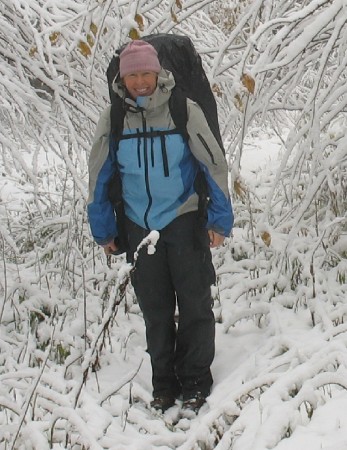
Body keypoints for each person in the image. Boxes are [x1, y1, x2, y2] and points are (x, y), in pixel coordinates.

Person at [87, 40, 234, 413]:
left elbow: (212, 164)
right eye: (132, 74)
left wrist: (218, 218)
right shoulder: (114, 118)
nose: (139, 81)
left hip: (183, 219)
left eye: (145, 73)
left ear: (158, 73)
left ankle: (197, 381)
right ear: (123, 78)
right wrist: (103, 227)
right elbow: (99, 175)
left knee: (195, 304)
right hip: (138, 225)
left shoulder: (184, 110)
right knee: (155, 310)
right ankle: (164, 385)